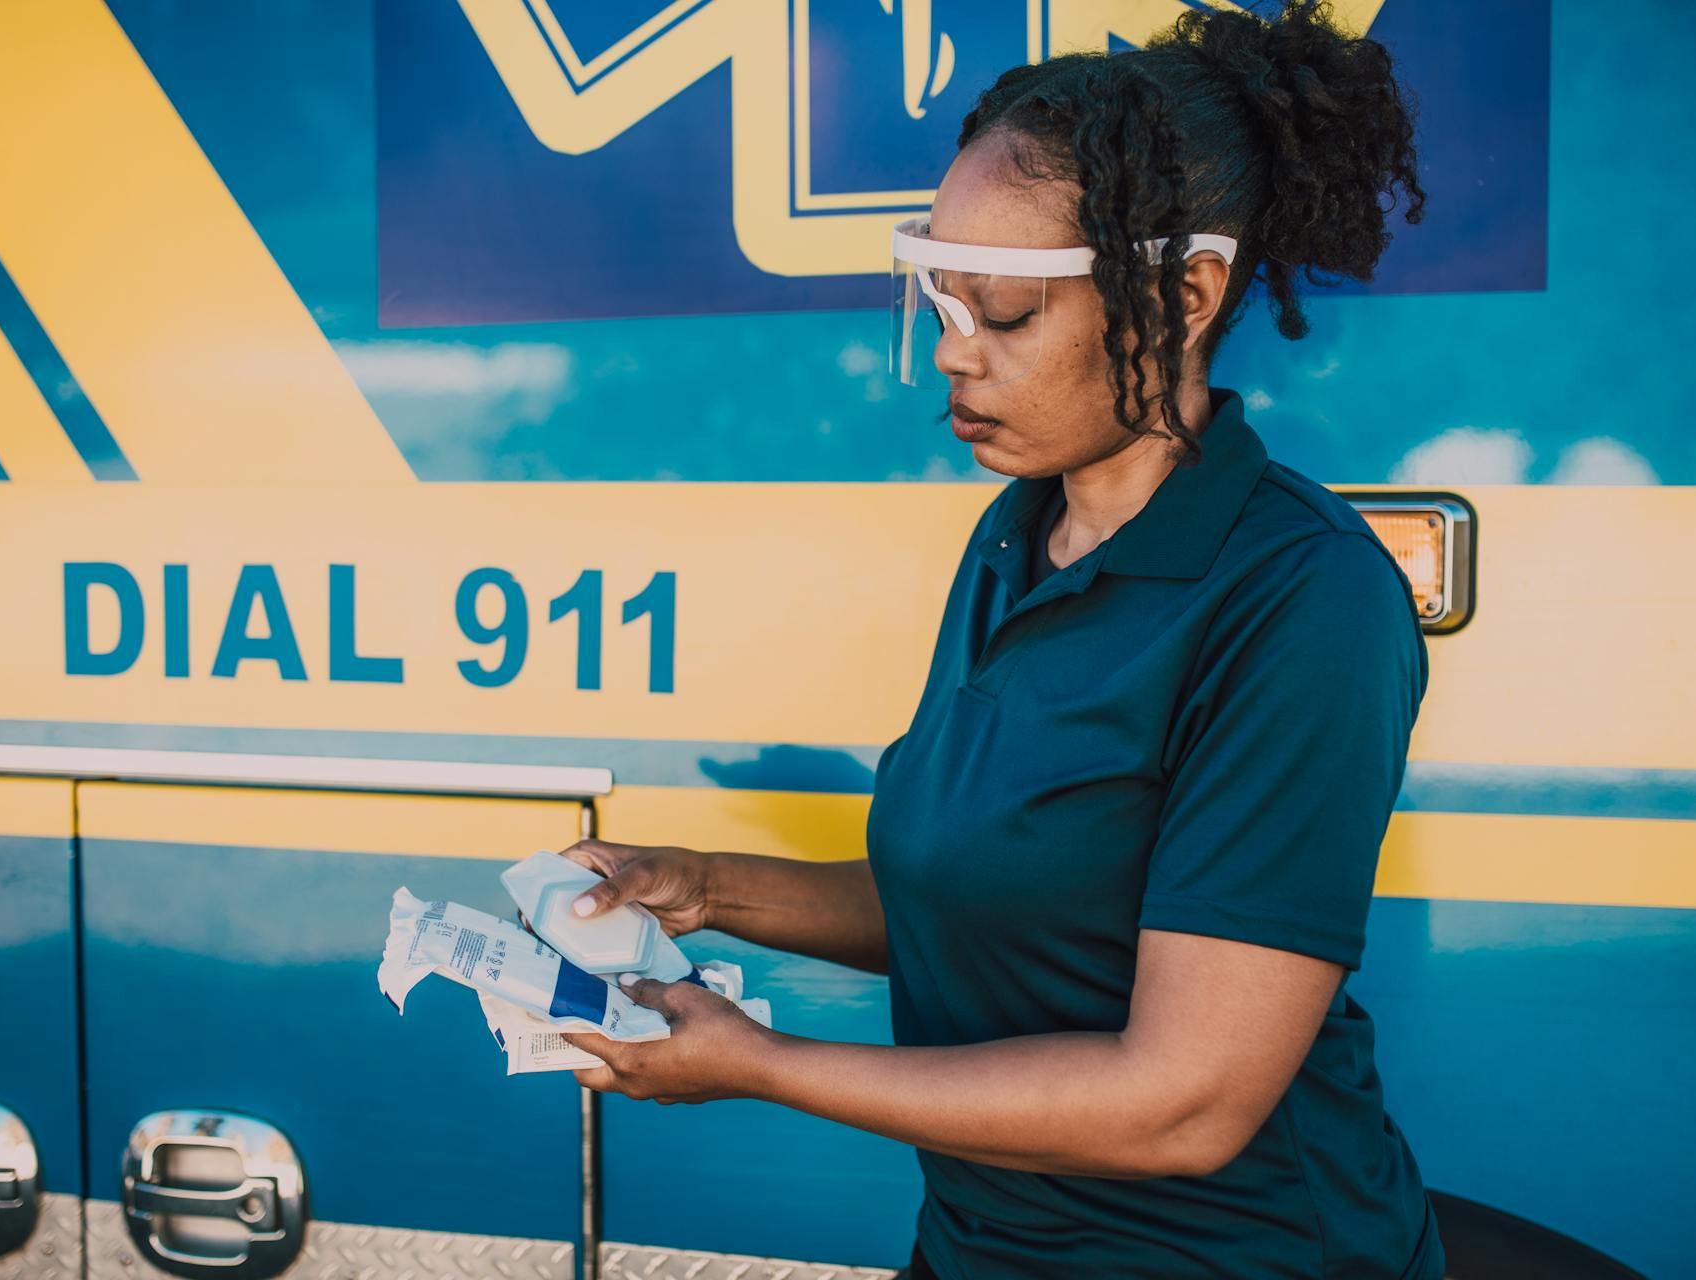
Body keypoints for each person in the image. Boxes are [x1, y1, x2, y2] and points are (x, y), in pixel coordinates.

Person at [556, 2, 1442, 1275]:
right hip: (982, 1245)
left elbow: (1185, 1099)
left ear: (1185, 292)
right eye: (942, 306)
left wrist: (764, 1066)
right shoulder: (1013, 536)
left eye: (1010, 315)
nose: (956, 363)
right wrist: (709, 888)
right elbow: (992, 897)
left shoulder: (1303, 599)